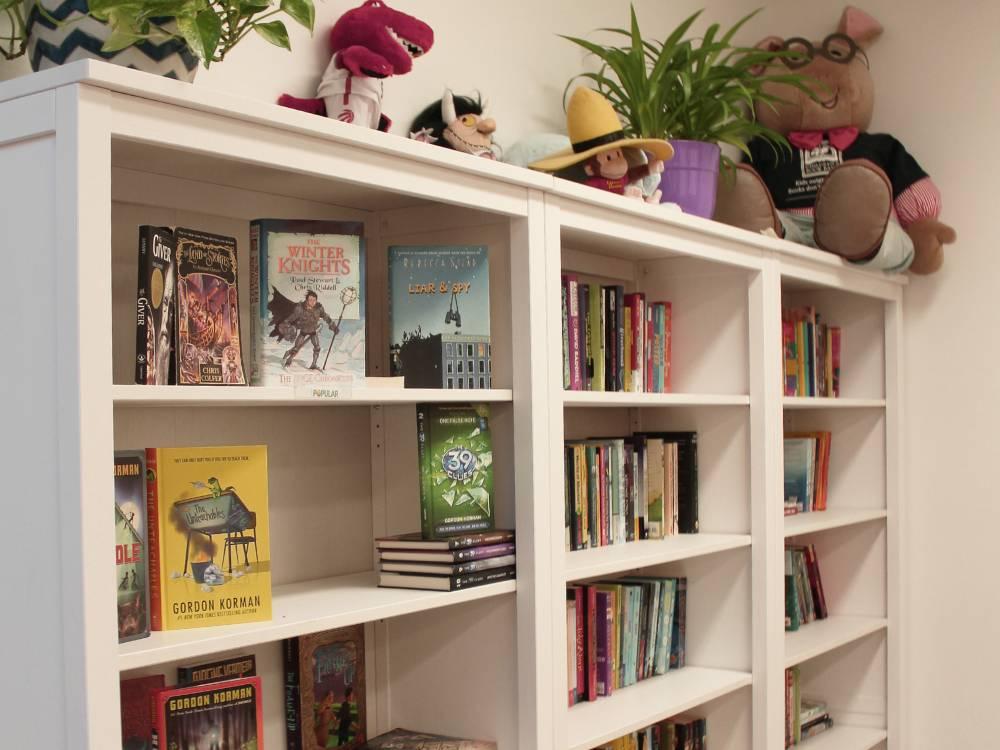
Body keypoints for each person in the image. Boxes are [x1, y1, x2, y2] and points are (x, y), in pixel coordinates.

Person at [281, 290, 339, 370]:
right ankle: (289, 359)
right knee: (296, 347)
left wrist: (334, 327)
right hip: (303, 331)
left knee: (317, 347)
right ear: (307, 300)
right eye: (310, 300)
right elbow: (293, 317)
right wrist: (286, 323)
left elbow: (326, 317)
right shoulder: (300, 308)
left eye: (314, 300)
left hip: (313, 331)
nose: (312, 302)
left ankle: (313, 364)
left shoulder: (319, 308)